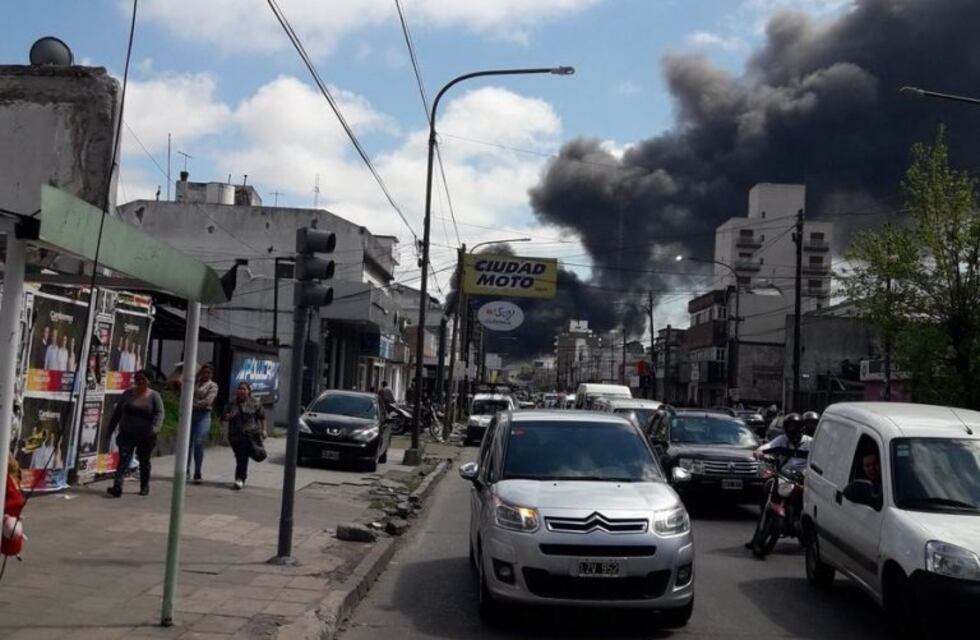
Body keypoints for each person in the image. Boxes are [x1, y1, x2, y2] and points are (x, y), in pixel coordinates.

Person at [105, 370, 164, 497]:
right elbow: (117, 413)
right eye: (138, 379)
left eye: (143, 379)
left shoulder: (154, 396)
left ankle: (144, 486)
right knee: (124, 459)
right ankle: (117, 486)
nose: (140, 381)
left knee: (144, 461)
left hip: (146, 435)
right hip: (127, 433)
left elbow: (159, 414)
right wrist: (110, 430)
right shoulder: (127, 394)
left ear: (149, 381)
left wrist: (155, 428)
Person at [223, 382, 266, 490]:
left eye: (244, 389)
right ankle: (241, 477)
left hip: (250, 434)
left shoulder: (255, 402)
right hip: (235, 435)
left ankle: (240, 478)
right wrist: (228, 417)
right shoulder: (232, 403)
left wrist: (264, 430)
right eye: (240, 389)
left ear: (249, 391)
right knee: (240, 456)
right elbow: (224, 417)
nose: (241, 391)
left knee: (245, 456)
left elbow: (262, 417)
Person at [187, 364, 219, 484]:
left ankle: (197, 471)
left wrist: (192, 404)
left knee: (199, 442)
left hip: (203, 415)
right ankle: (185, 469)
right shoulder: (194, 382)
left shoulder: (213, 385)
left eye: (208, 373)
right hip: (190, 415)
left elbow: (208, 401)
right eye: (204, 372)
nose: (206, 374)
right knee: (187, 442)